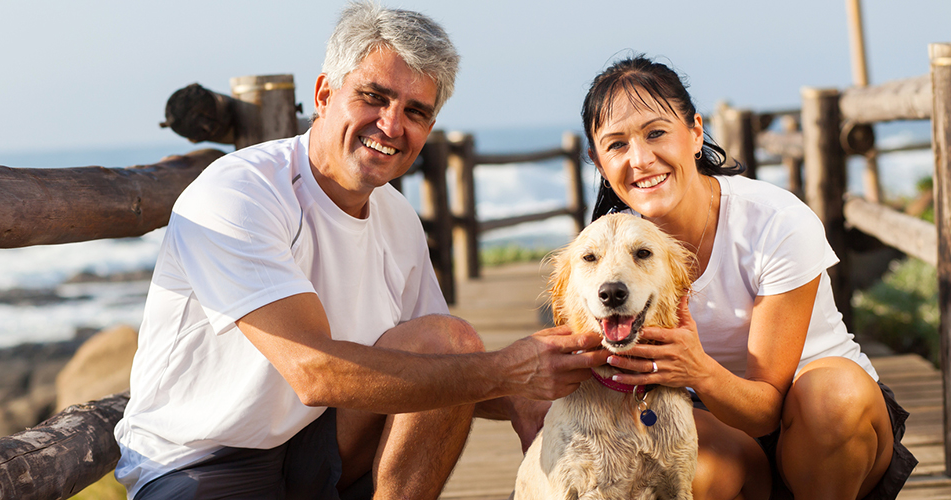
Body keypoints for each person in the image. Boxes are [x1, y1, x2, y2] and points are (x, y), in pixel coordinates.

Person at [113, 3, 608, 499]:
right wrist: (506, 372)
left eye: (416, 112)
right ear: (325, 95)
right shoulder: (241, 192)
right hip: (202, 462)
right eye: (374, 97)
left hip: (318, 446)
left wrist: (522, 393)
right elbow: (312, 373)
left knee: (450, 342)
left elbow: (441, 373)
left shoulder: (397, 218)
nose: (392, 125)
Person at [581, 54, 918, 500]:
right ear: (597, 160)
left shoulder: (776, 221)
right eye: (617, 145)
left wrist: (696, 367)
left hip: (821, 425)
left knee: (831, 397)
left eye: (656, 132)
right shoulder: (605, 250)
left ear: (696, 132)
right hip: (707, 420)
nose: (640, 159)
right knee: (674, 459)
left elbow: (764, 411)